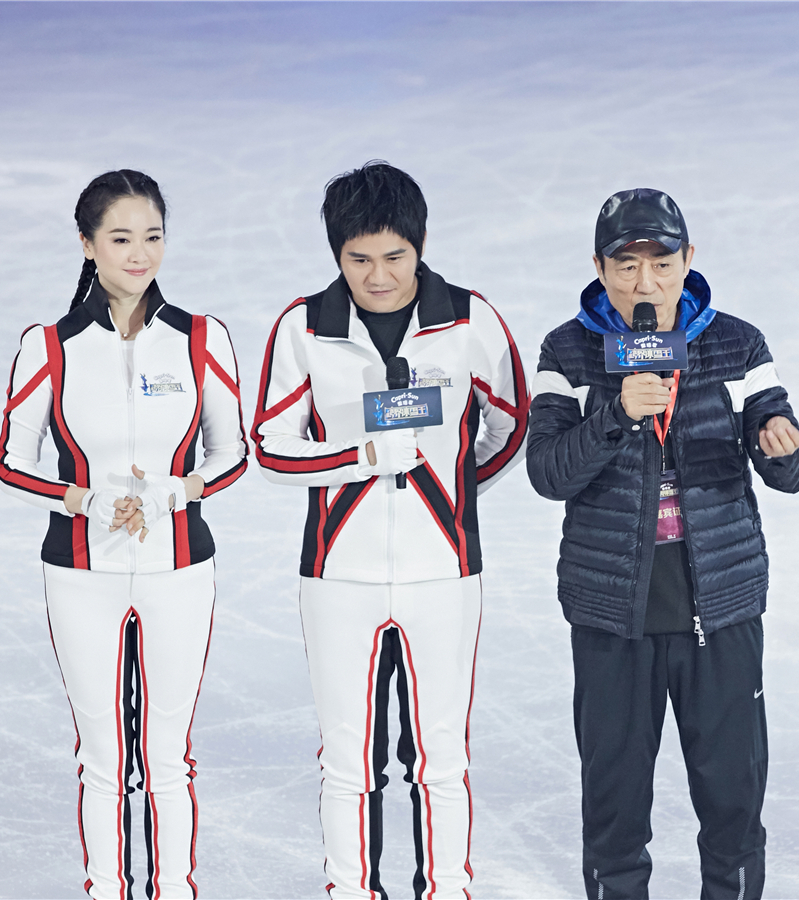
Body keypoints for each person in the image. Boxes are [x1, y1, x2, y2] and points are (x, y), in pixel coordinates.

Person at [527, 188, 799, 899]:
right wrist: (616, 414)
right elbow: (548, 473)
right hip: (610, 610)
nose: (645, 283)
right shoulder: (569, 350)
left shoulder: (736, 343)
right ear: (600, 267)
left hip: (720, 603)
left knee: (733, 798)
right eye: (626, 266)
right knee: (615, 804)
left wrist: (783, 449)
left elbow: (790, 463)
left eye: (661, 264)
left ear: (688, 260)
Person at [252, 161, 528, 899]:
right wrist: (359, 459)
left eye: (394, 257)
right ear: (336, 254)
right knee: (347, 762)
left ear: (421, 244)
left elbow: (509, 425)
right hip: (337, 575)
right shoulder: (303, 327)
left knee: (443, 760)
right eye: (359, 259)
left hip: (445, 571)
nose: (378, 277)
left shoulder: (470, 320)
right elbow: (271, 447)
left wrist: (449, 494)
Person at [0, 170, 248, 899]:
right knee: (102, 756)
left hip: (180, 569)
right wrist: (82, 499)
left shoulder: (202, 339)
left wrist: (179, 490)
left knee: (168, 756)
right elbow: (10, 460)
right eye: (121, 239)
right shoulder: (49, 345)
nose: (140, 255)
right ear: (87, 245)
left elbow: (233, 453)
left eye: (153, 237)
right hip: (80, 573)